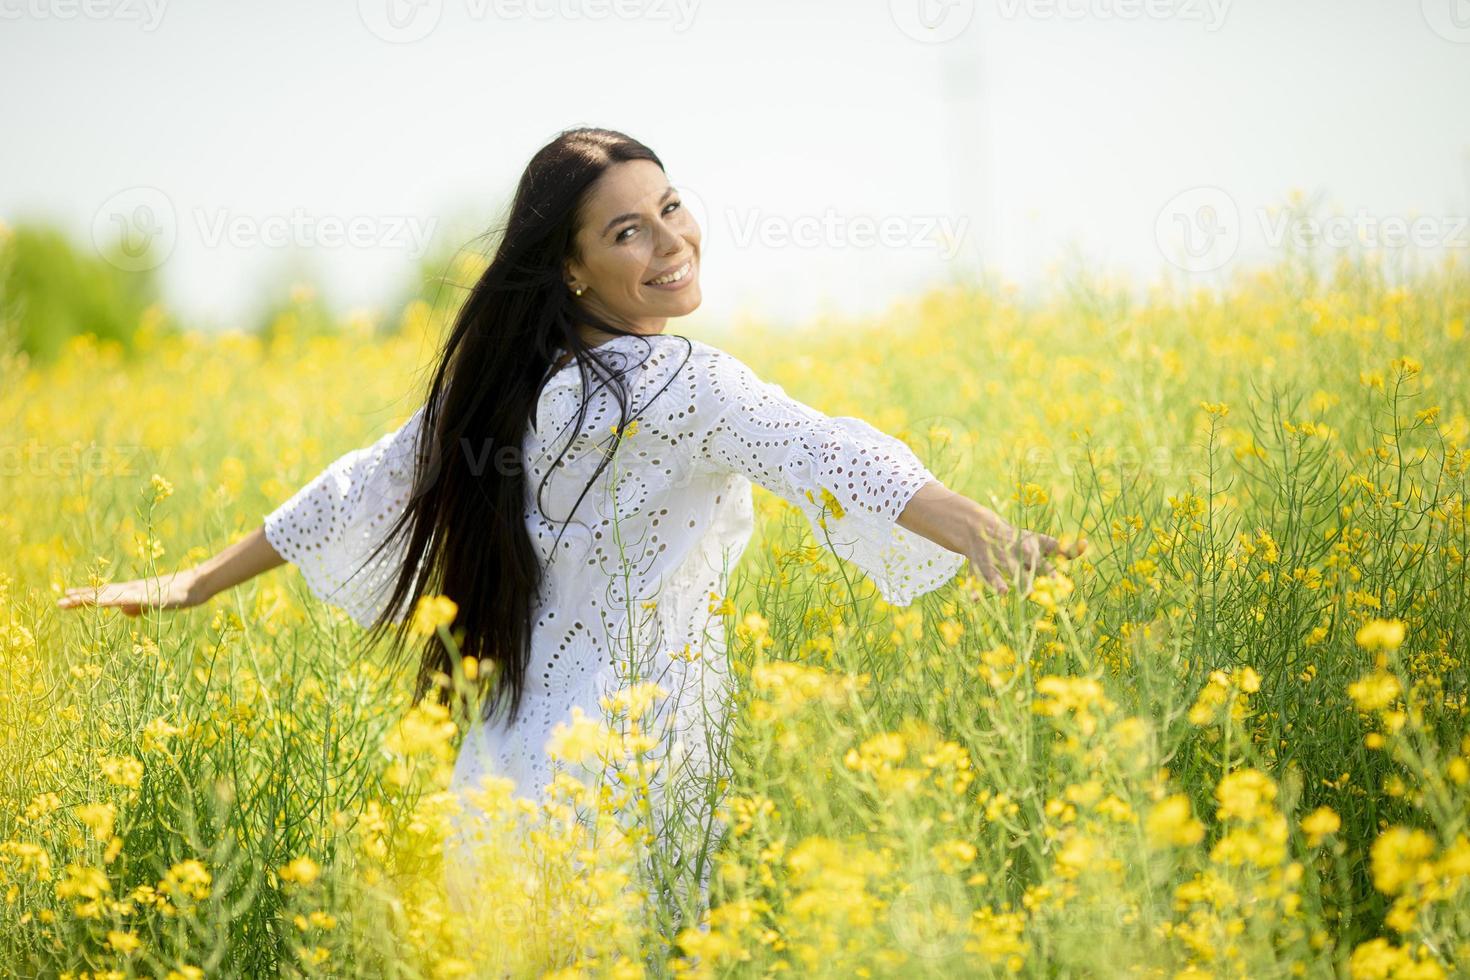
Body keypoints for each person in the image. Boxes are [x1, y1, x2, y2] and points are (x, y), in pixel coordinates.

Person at [56, 126, 1085, 924]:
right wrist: (986, 531)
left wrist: (189, 581)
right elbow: (830, 452)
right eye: (628, 229)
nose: (671, 239)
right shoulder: (689, 384)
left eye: (671, 207)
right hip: (638, 791)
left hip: (500, 793)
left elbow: (344, 495)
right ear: (573, 269)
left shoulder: (496, 396)